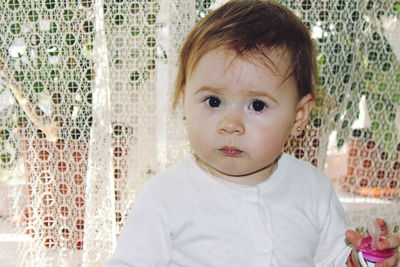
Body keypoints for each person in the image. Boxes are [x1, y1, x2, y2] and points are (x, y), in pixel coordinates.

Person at [105, 0, 400, 266]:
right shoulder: (165, 196)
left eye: (257, 105)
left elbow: (331, 259)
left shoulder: (314, 191)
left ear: (299, 116)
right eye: (213, 101)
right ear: (185, 102)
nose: (230, 124)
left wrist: (364, 259)